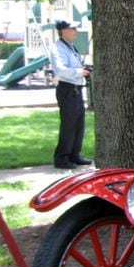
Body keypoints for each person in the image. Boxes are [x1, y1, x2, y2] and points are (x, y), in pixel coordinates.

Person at [50, 20, 91, 169]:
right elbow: (61, 70)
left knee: (78, 124)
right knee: (68, 125)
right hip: (67, 89)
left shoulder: (70, 47)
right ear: (63, 30)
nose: (76, 31)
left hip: (76, 88)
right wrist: (79, 72)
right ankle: (62, 158)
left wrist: (83, 70)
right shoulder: (57, 48)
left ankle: (74, 155)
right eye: (72, 28)